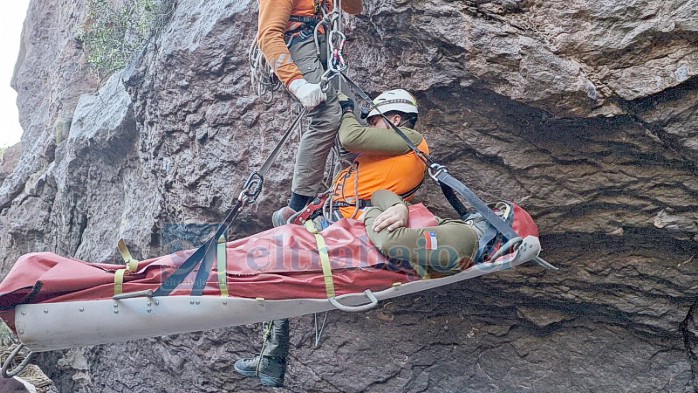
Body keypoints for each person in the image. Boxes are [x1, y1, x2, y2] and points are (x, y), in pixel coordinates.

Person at [234, 88, 430, 387]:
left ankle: (271, 356)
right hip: (335, 220)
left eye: (374, 121)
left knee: (276, 260)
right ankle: (271, 355)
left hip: (351, 224)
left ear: (394, 118)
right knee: (281, 222)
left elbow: (350, 137)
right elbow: (349, 148)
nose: (370, 127)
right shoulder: (378, 158)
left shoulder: (411, 140)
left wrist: (348, 109)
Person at [255, 0, 364, 226]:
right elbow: (268, 35)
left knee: (351, 114)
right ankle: (297, 207)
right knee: (326, 115)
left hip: (322, 40)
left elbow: (354, 8)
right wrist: (297, 84)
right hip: (297, 42)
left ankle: (358, 192)